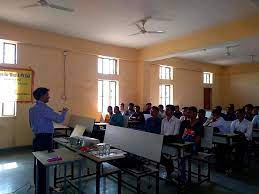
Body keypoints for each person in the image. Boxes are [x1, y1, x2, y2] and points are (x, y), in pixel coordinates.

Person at [29, 87, 69, 194]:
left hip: (37, 139)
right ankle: (44, 189)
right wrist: (64, 112)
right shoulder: (45, 109)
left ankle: (40, 187)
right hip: (45, 139)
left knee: (38, 164)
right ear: (42, 96)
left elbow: (31, 124)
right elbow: (59, 119)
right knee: (45, 164)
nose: (49, 96)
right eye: (47, 95)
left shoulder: (32, 110)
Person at [161, 105, 181, 178]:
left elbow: (175, 134)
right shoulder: (163, 120)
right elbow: (162, 133)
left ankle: (175, 173)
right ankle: (169, 172)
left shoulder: (177, 121)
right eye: (166, 109)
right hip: (165, 142)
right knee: (164, 159)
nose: (166, 111)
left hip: (173, 143)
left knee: (173, 157)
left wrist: (165, 138)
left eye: (168, 110)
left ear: (172, 111)